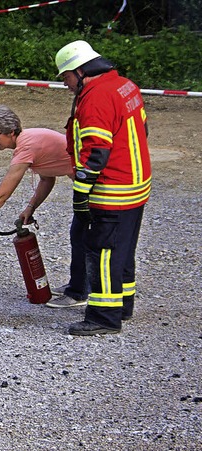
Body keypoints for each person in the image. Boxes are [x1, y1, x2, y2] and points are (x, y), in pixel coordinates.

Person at [55, 40, 152, 335]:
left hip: (113, 188)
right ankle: (123, 306)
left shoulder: (96, 97)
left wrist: (81, 194)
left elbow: (96, 150)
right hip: (136, 184)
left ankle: (103, 317)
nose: (65, 84)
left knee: (102, 251)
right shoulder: (124, 85)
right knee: (123, 248)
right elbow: (143, 129)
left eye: (66, 77)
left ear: (81, 70)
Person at [0, 106, 89, 306]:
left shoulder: (26, 146)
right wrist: (30, 208)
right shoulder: (29, 140)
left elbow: (2, 195)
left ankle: (79, 293)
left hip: (96, 183)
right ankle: (78, 285)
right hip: (84, 183)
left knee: (83, 236)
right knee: (79, 235)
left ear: (10, 132)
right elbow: (47, 179)